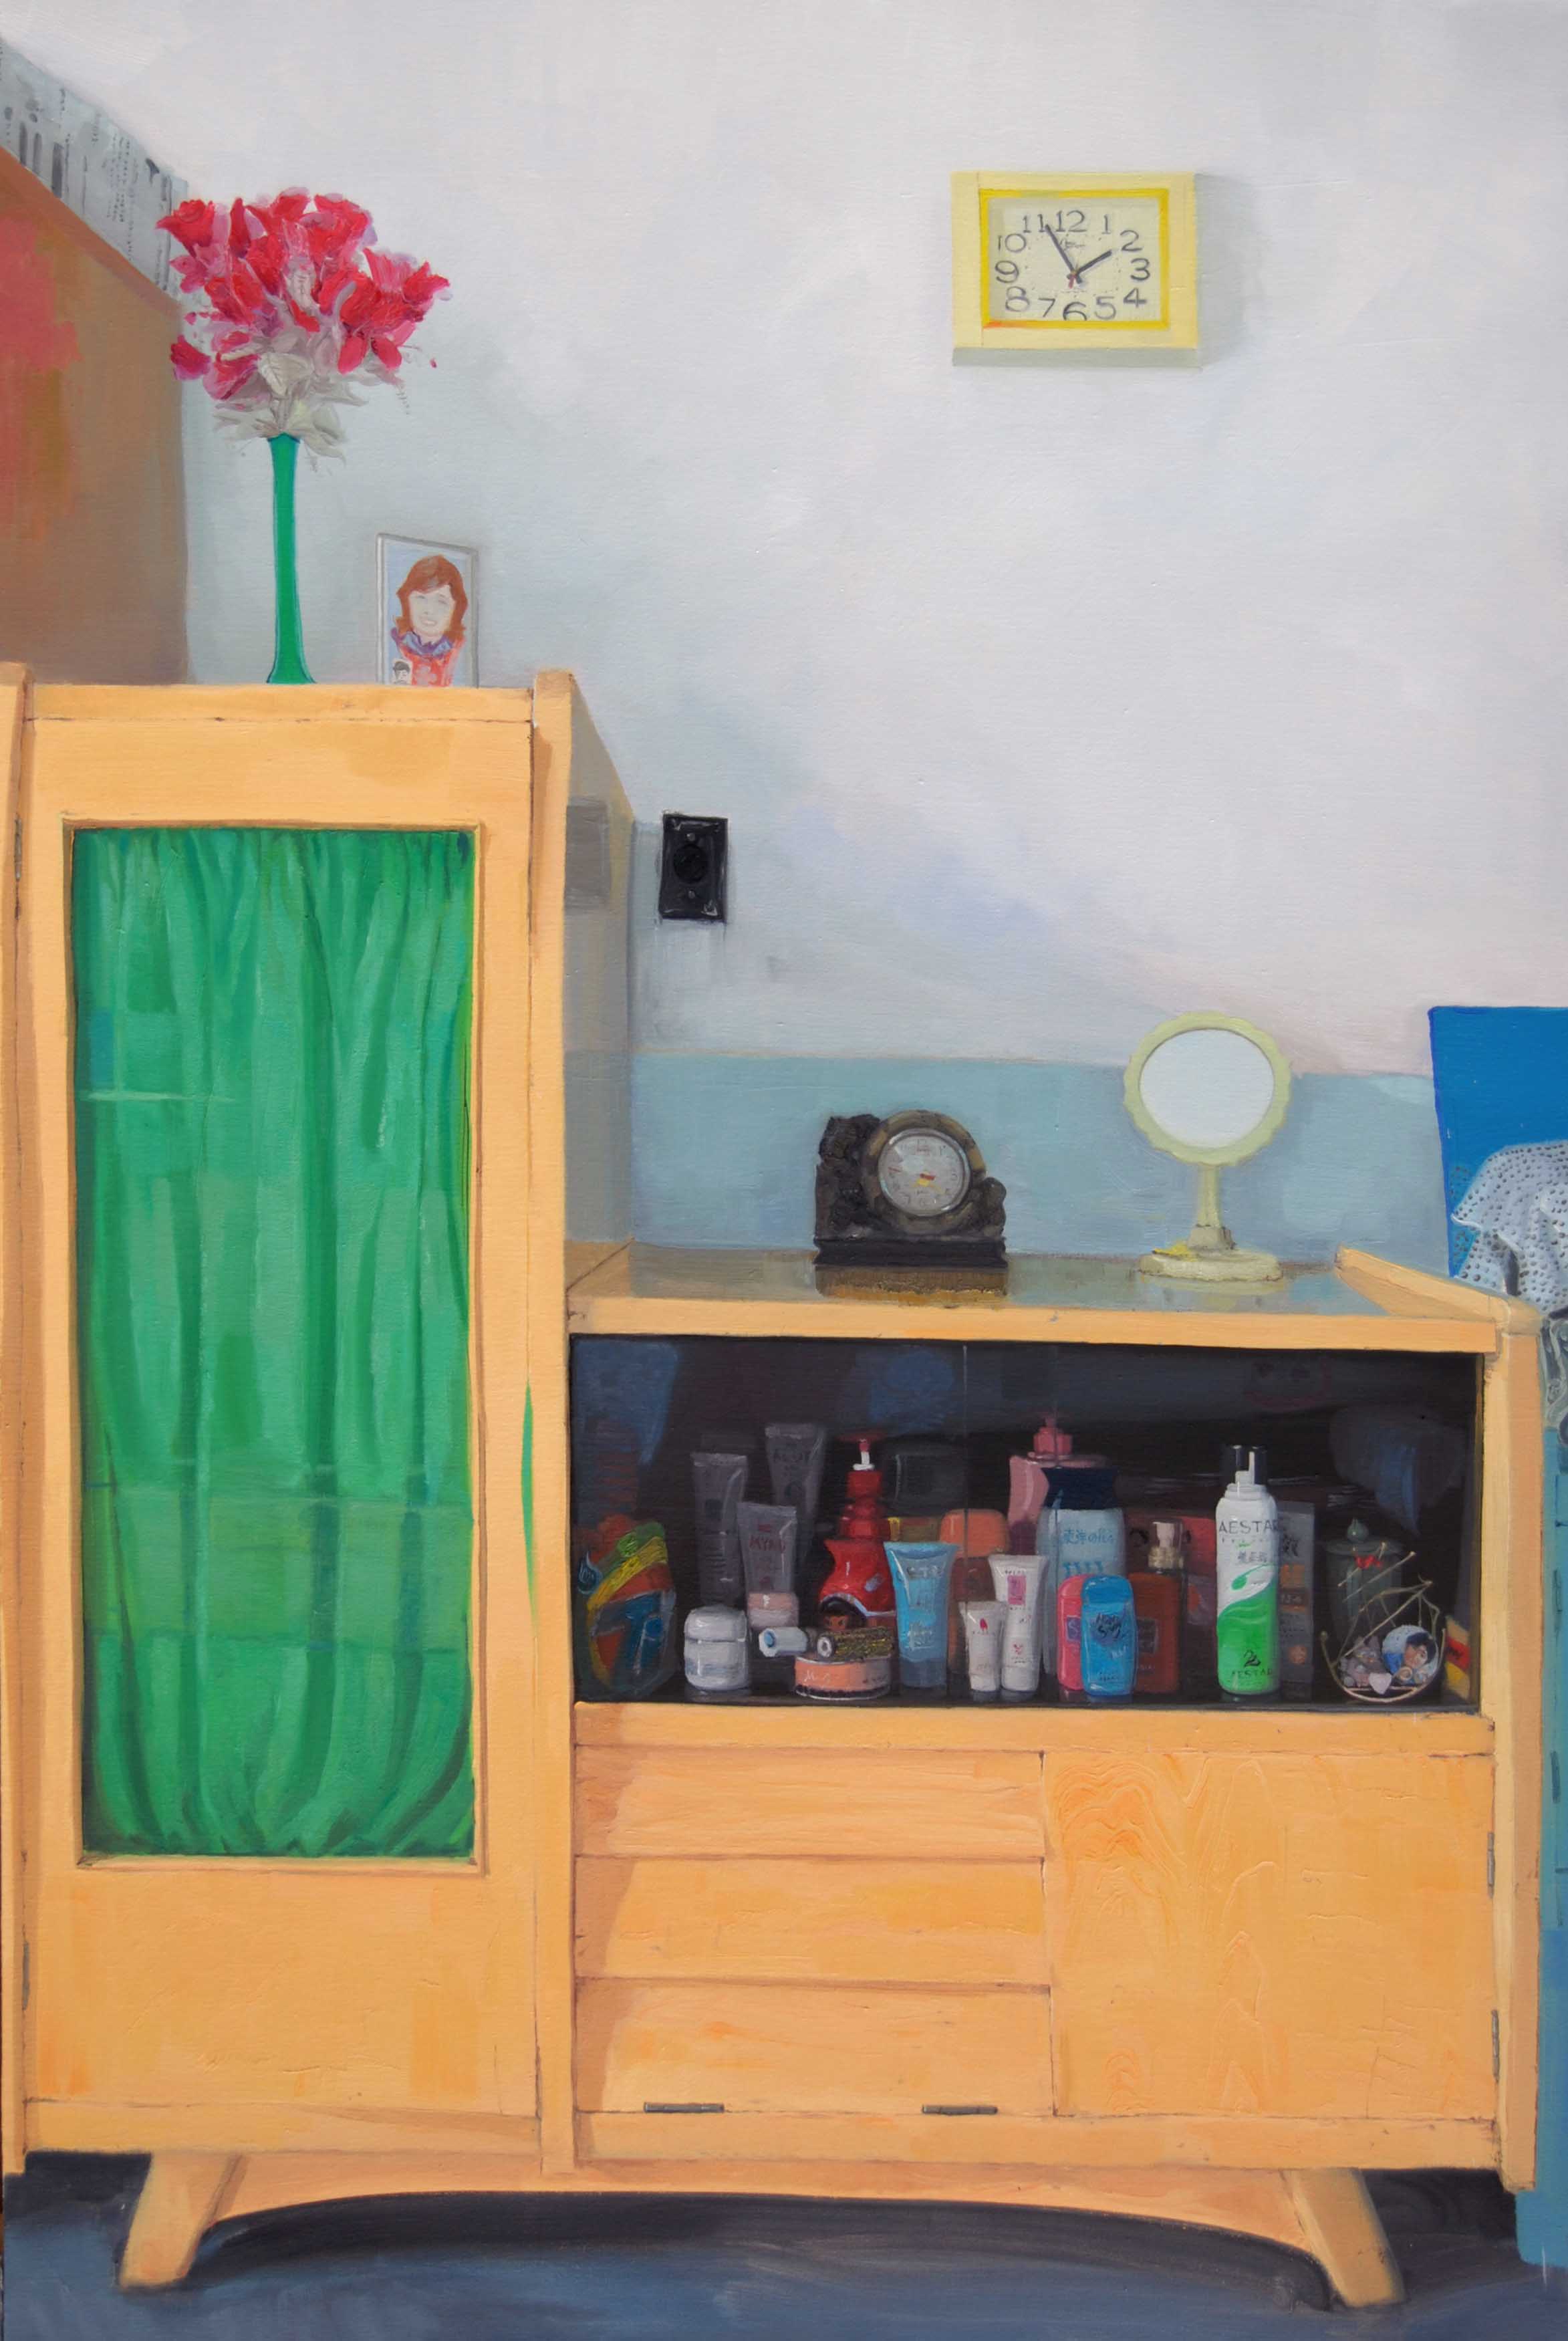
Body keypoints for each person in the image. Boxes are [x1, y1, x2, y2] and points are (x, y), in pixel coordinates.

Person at [389, 553, 469, 686]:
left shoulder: (461, 653)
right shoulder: (393, 646)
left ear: (456, 608)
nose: (429, 610)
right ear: (407, 601)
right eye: (421, 598)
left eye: (441, 602)